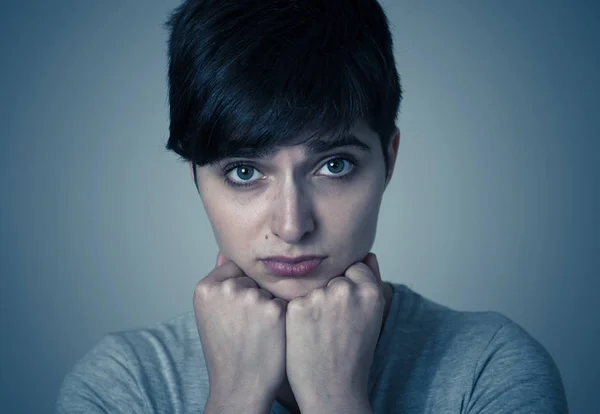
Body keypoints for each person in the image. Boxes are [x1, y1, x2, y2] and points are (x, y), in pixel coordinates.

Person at [55, 0, 569, 413]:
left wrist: (335, 400)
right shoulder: (123, 386)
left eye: (335, 166)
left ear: (388, 160)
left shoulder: (490, 368)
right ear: (195, 176)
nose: (292, 224)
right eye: (244, 172)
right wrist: (234, 400)